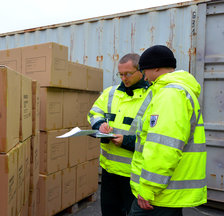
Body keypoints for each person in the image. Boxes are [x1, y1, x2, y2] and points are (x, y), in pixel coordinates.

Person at [129, 45, 206, 216]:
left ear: (155, 67)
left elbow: (163, 148)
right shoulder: (177, 91)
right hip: (166, 190)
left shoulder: (170, 95)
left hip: (158, 195)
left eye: (144, 71)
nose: (144, 76)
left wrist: (148, 188)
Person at [88, 53, 152, 216]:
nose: (124, 78)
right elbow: (94, 112)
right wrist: (100, 125)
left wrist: (126, 141)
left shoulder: (153, 96)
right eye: (120, 74)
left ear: (141, 71)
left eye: (128, 74)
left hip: (135, 175)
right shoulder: (111, 92)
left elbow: (155, 137)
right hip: (109, 171)